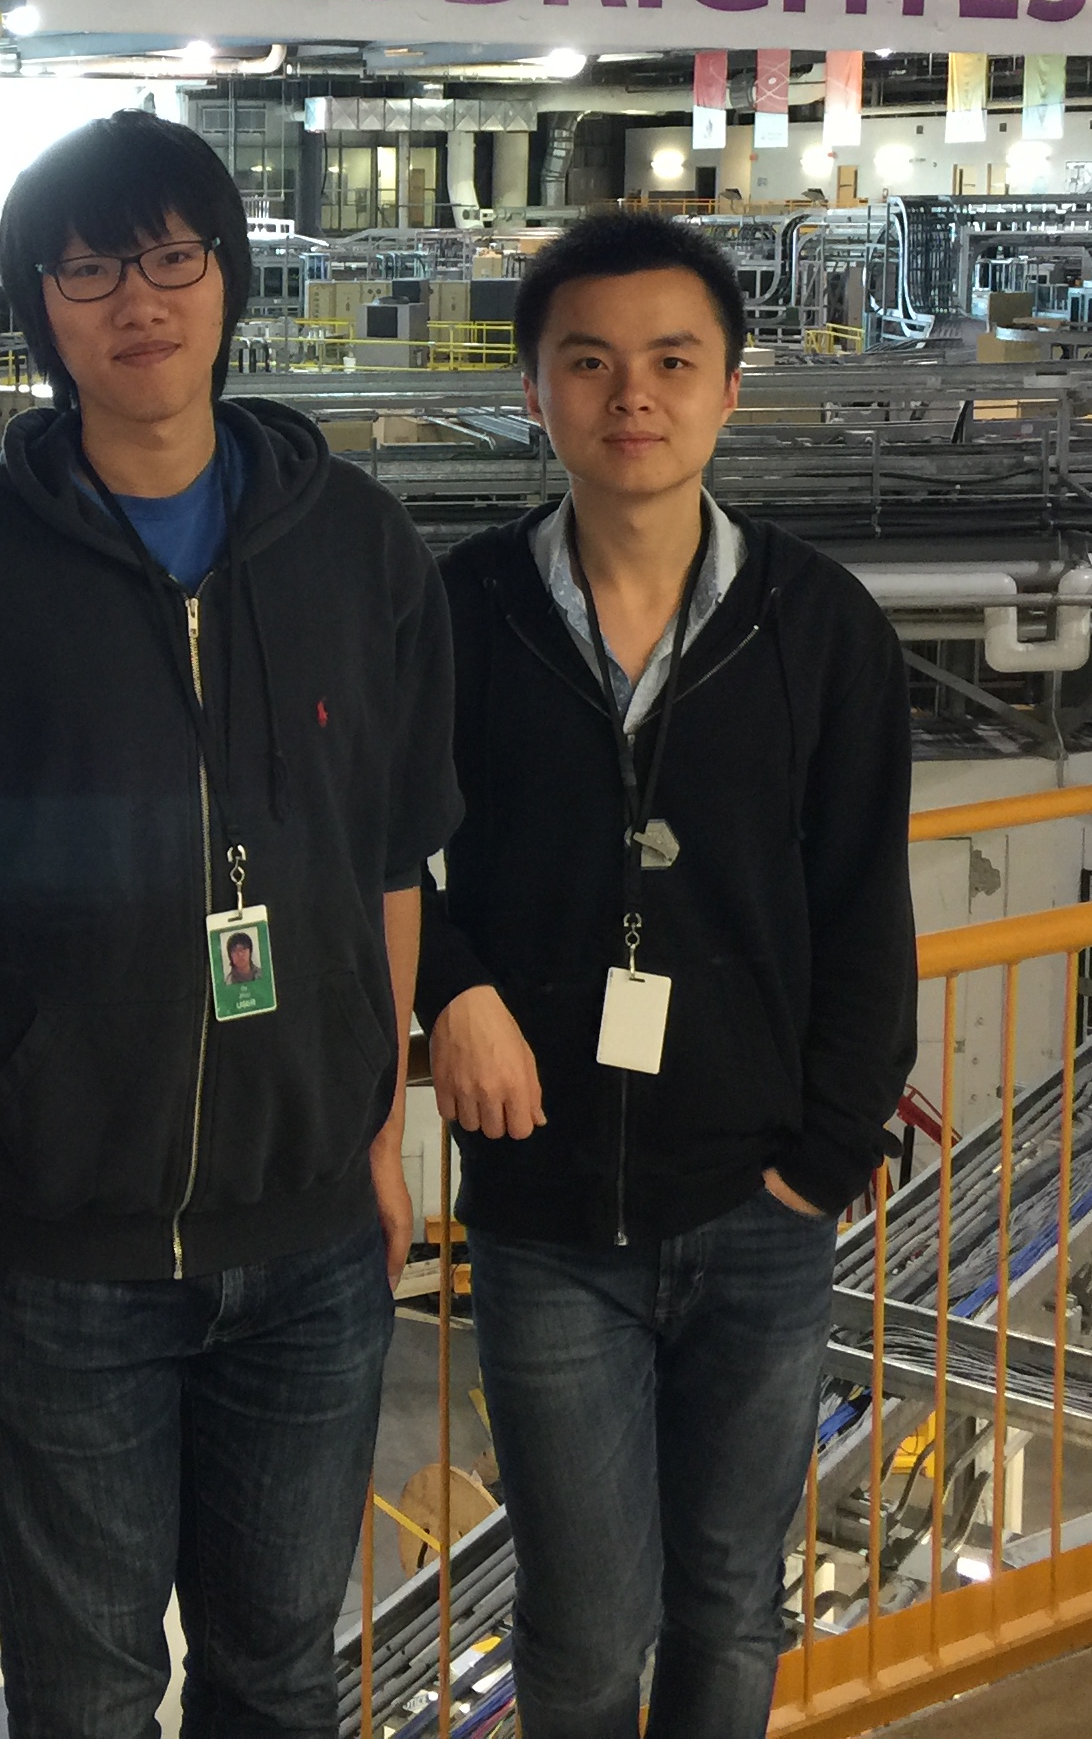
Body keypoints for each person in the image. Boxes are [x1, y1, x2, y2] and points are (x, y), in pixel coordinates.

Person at [0, 109, 460, 1735]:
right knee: (89, 1686)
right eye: (89, 266)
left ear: (227, 277)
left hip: (314, 1241)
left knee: (278, 1675)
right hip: (59, 1248)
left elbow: (394, 862)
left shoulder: (358, 546)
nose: (138, 298)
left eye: (170, 256)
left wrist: (380, 1137)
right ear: (35, 304)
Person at [421, 211, 917, 1739]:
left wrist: (819, 1160)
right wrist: (448, 985)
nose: (630, 395)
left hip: (755, 1208)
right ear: (534, 393)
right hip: (543, 1211)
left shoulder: (816, 625)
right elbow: (373, 851)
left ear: (729, 389)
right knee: (584, 1622)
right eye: (589, 362)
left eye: (670, 361)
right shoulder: (462, 615)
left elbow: (862, 900)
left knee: (727, 1597)